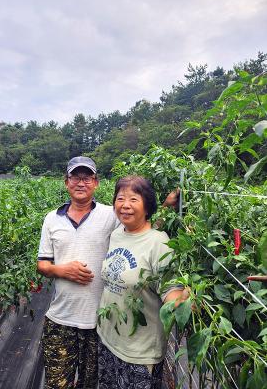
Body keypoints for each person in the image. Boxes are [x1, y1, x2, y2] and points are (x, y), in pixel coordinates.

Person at [97, 176, 188, 389]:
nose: (125, 205)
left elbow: (170, 293)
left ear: (147, 206)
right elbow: (140, 237)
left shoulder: (161, 243)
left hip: (139, 353)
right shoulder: (117, 233)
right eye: (120, 199)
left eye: (133, 200)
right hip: (108, 340)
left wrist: (184, 301)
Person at [37, 156, 119, 389]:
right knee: (57, 383)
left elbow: (140, 227)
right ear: (66, 182)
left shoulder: (110, 215)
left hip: (98, 321)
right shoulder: (52, 219)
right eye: (75, 177)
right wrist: (63, 270)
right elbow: (42, 264)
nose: (80, 182)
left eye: (87, 177)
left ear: (96, 183)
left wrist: (166, 206)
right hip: (60, 319)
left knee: (90, 384)